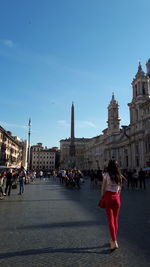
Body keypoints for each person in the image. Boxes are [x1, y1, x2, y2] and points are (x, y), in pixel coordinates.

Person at [101, 160, 124, 250]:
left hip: (108, 197)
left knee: (110, 220)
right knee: (115, 219)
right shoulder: (119, 176)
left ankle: (114, 241)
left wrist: (102, 197)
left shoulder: (106, 175)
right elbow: (119, 189)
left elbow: (103, 188)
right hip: (117, 198)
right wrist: (117, 197)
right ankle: (114, 239)